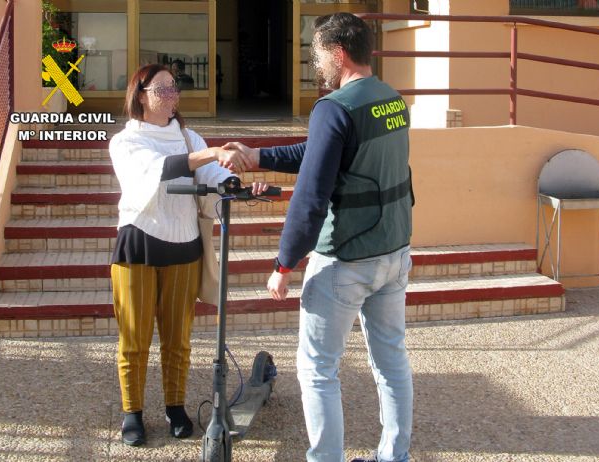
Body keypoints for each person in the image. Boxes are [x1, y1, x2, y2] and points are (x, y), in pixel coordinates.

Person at [225, 13, 414, 462]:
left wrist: (283, 263)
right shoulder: (391, 99)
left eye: (318, 52)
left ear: (339, 53)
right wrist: (257, 155)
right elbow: (322, 153)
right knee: (391, 362)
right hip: (393, 253)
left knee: (317, 369)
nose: (315, 61)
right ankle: (394, 456)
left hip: (346, 258)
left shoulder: (334, 107)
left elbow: (311, 195)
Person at [109, 63, 260, 446]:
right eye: (163, 90)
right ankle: (133, 413)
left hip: (184, 245)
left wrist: (235, 183)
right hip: (138, 245)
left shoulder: (190, 138)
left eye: (175, 89)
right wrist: (210, 154)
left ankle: (175, 407)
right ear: (140, 95)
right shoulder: (126, 142)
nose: (173, 96)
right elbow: (154, 171)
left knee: (178, 338)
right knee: (134, 337)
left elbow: (213, 176)